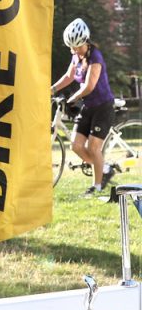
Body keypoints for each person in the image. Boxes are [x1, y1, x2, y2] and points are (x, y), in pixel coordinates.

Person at [51, 18, 117, 196]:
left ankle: (96, 187)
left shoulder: (95, 57)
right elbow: (69, 76)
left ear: (85, 42)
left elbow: (89, 86)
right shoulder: (76, 55)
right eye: (71, 48)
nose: (75, 51)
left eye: (77, 47)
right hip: (88, 106)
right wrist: (52, 89)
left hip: (103, 107)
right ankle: (105, 168)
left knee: (94, 148)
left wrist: (71, 99)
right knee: (76, 146)